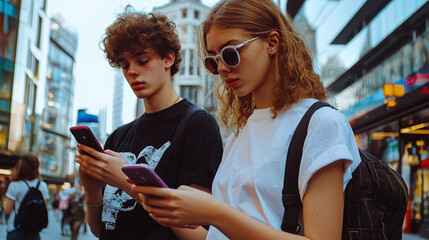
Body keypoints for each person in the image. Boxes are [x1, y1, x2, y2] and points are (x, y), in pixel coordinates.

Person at [131, 0, 361, 239]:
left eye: (230, 53)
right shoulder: (237, 137)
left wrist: (214, 213)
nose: (221, 68)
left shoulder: (320, 123)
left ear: (272, 43)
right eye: (213, 60)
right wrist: (164, 204)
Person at [74, 6, 223, 240]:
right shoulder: (118, 135)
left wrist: (125, 181)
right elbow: (99, 229)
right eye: (124, 65)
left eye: (142, 60)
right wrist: (92, 190)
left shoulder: (198, 125)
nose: (132, 71)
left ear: (168, 58)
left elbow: (199, 234)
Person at [2, 154, 50, 240]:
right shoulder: (43, 186)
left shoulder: (14, 185)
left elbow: (7, 211)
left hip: (16, 230)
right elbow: (44, 209)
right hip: (34, 232)